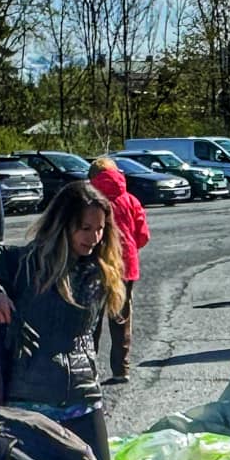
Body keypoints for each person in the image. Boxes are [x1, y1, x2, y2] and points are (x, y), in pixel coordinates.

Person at [0, 181, 127, 460]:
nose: (95, 237)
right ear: (63, 224)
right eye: (85, 228)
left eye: (100, 229)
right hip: (29, 403)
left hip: (84, 398)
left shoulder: (101, 269)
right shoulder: (24, 262)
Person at [89, 159, 150, 383]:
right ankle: (121, 369)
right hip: (126, 266)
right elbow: (143, 235)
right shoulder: (131, 200)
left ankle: (88, 369)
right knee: (121, 318)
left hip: (96, 265)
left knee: (91, 320)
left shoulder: (90, 200)